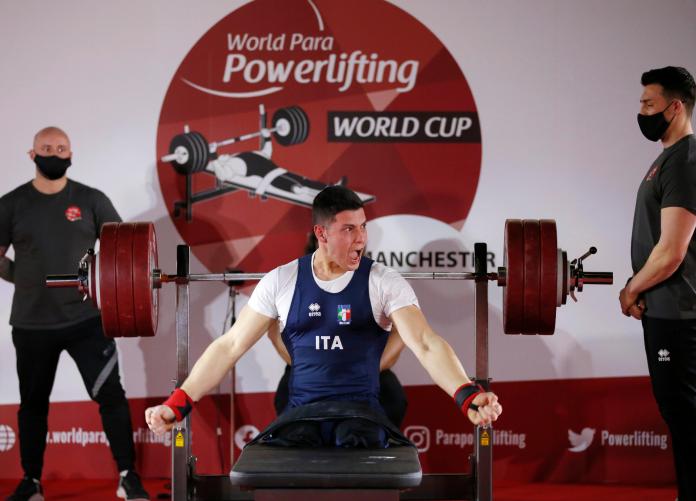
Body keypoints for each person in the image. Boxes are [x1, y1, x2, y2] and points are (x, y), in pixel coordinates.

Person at [146, 185, 501, 448]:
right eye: (349, 229)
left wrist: (467, 396)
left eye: (363, 227)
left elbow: (425, 343)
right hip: (302, 415)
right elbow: (230, 346)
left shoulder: (384, 282)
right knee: (291, 463)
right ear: (321, 233)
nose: (361, 239)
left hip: (361, 415)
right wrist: (177, 404)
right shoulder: (281, 280)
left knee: (358, 453)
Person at [0, 127, 149, 501]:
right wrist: (24, 278)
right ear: (32, 155)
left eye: (61, 148)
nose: (54, 153)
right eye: (47, 148)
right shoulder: (11, 204)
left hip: (87, 321)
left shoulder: (90, 199)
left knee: (110, 396)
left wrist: (103, 282)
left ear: (71, 154)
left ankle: (128, 476)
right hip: (32, 323)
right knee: (33, 405)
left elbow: (121, 248)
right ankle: (31, 481)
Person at [619, 66, 696, 501]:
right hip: (665, 312)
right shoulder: (667, 159)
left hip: (679, 317)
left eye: (650, 104)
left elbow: (671, 252)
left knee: (686, 419)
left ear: (676, 106)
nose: (643, 112)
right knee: (682, 420)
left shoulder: (685, 161)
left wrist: (631, 289)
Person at [267, 232, 409, 427]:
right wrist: (313, 368)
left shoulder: (376, 279)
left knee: (393, 401)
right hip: (307, 375)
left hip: (366, 375)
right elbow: (274, 331)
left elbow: (402, 332)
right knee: (287, 403)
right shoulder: (290, 279)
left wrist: (366, 369)